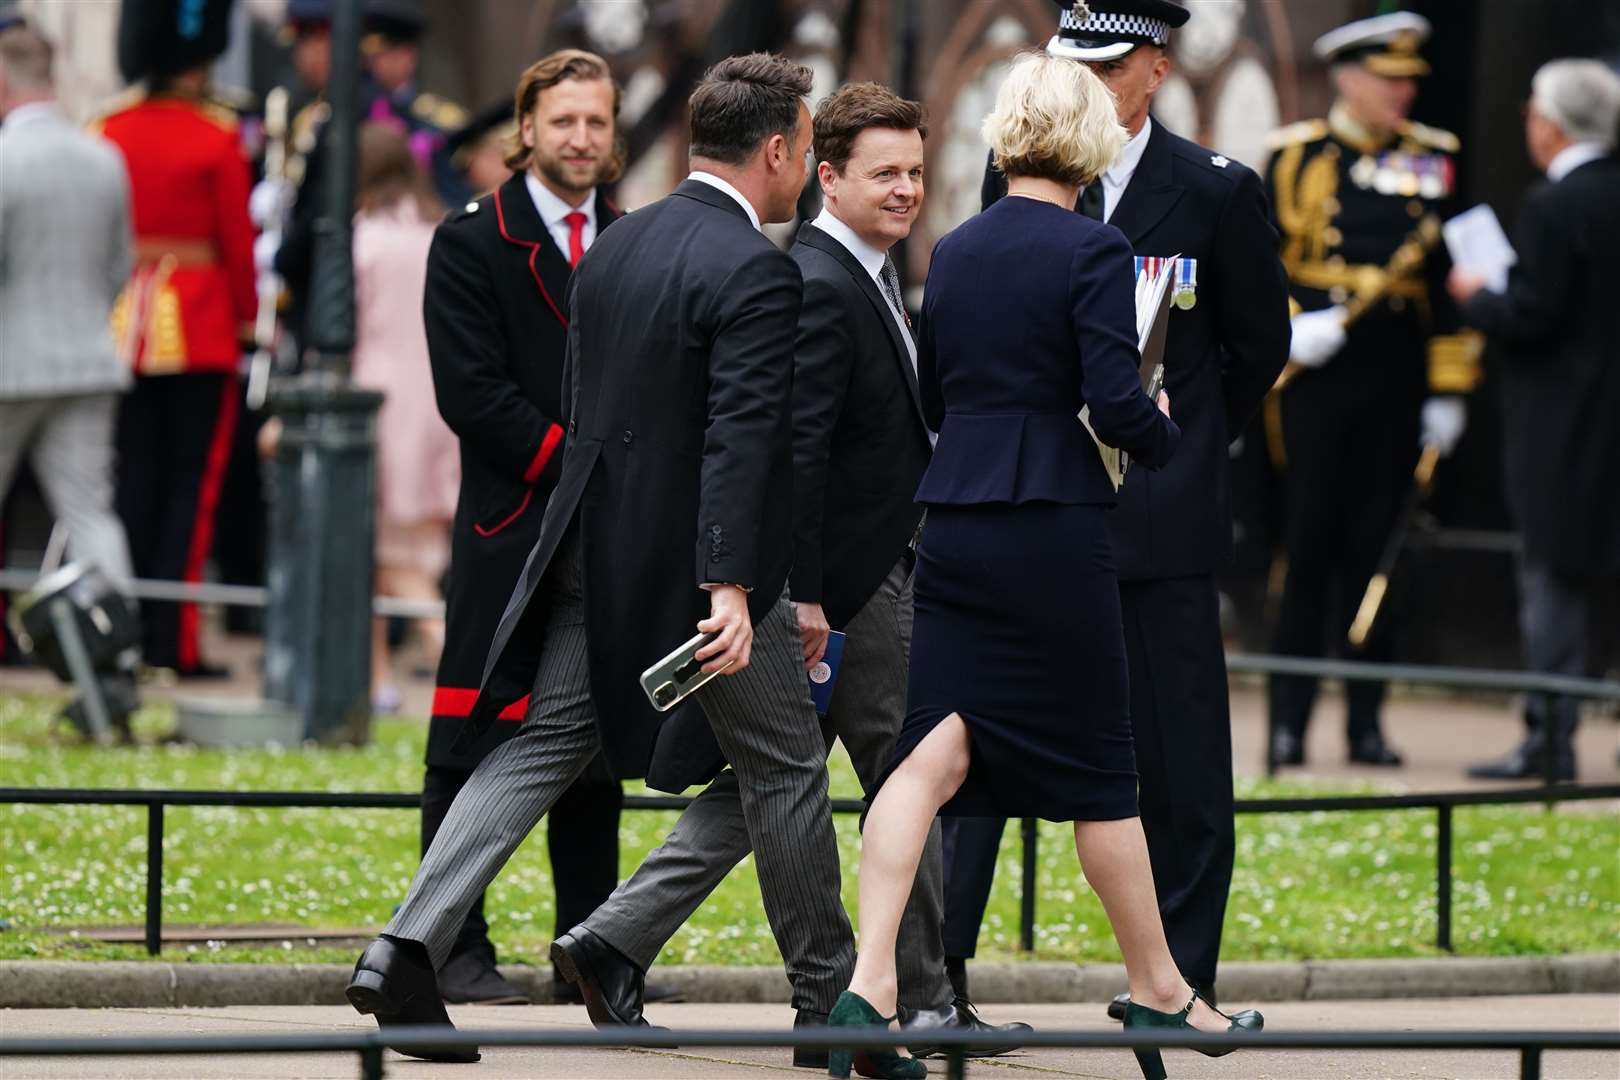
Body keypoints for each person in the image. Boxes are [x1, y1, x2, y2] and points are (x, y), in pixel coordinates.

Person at [345, 53, 856, 1065]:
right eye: (806, 144)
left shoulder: (621, 249)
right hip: (696, 580)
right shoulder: (756, 265)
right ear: (778, 147)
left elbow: (591, 417)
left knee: (543, 745)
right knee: (789, 762)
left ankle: (406, 945)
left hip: (590, 552)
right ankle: (833, 1008)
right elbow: (741, 439)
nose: (806, 166)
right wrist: (729, 586)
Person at [552, 81, 1029, 1068]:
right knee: (908, 770)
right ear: (825, 177)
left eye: (913, 171)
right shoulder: (814, 279)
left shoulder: (871, 273)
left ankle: (612, 939)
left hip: (845, 581)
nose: (905, 190)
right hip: (844, 588)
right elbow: (791, 454)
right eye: (883, 173)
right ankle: (924, 997)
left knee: (772, 781)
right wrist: (809, 594)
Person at [827, 52, 1260, 1080]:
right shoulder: (1095, 249)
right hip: (1055, 527)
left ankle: (871, 981)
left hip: (958, 521)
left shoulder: (959, 247)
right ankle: (1160, 990)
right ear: (1089, 142)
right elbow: (1114, 401)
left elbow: (935, 394)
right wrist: (1156, 431)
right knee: (1105, 774)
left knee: (926, 758)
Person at [953, 0, 1291, 1020]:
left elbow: (1257, 346)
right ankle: (939, 980)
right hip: (1036, 503)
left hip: (1159, 518)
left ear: (1151, 67)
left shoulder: (1216, 191)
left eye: (1105, 67)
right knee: (975, 746)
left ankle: (1177, 983)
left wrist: (1178, 448)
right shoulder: (1022, 175)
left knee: (1183, 760)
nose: (1086, 86)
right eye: (1073, 65)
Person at [413, 49, 659, 1010]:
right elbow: (471, 395)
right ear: (526, 128)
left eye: (597, 123)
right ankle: (449, 949)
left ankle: (587, 948)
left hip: (612, 536)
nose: (582, 140)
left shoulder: (635, 237)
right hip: (513, 526)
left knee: (591, 748)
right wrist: (583, 462)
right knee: (471, 737)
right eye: (564, 122)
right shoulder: (472, 240)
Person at [1263, 12, 1480, 768]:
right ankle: (1287, 722)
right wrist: (1292, 327)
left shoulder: (1435, 158)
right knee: (1309, 546)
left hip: (1396, 377)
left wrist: (1449, 387)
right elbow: (1261, 265)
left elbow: (1456, 284)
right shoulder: (1293, 157)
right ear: (1349, 79)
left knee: (1378, 552)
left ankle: (1366, 723)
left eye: (1409, 79)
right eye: (1390, 78)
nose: (1404, 91)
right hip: (1317, 379)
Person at [1449, 59, 1620, 782]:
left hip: (1562, 426)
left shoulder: (1555, 205)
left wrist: (1477, 296)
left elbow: (1534, 315)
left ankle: (1549, 740)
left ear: (1551, 122)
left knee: (1550, 578)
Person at [94, 0, 256, 678]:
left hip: (119, 325)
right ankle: (175, 642)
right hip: (200, 325)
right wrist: (249, 320)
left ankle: (118, 635)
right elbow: (237, 247)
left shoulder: (108, 128)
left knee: (128, 485)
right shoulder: (216, 136)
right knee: (193, 488)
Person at [0, 26, 137, 591]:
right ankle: (114, 660)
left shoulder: (5, 158)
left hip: (10, 364)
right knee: (91, 517)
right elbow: (118, 265)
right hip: (87, 359)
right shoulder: (102, 156)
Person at [348, 123, 455, 713]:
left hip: (381, 400)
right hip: (435, 401)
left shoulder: (364, 239)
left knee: (391, 554)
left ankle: (448, 661)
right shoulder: (438, 230)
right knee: (393, 552)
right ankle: (376, 678)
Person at [359, 0, 467, 205]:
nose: (372, 61)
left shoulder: (437, 120)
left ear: (408, 55)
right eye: (371, 54)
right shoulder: (358, 111)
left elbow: (453, 193)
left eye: (385, 53)